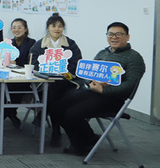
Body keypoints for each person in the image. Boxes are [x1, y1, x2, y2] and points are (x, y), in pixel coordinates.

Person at [52, 22, 145, 156]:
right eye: (110, 34)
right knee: (56, 107)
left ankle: (81, 145)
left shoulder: (134, 58)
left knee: (72, 113)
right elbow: (89, 75)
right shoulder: (103, 53)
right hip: (93, 93)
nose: (114, 37)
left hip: (113, 99)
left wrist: (104, 90)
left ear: (127, 37)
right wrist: (92, 83)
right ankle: (88, 138)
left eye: (119, 34)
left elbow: (130, 85)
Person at [30, 13, 83, 147]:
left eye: (60, 26)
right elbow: (33, 62)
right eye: (53, 26)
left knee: (56, 88)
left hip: (66, 81)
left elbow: (77, 62)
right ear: (48, 28)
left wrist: (67, 73)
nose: (57, 29)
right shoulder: (39, 44)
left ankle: (43, 115)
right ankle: (55, 130)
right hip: (43, 81)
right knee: (54, 92)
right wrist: (42, 70)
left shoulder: (70, 44)